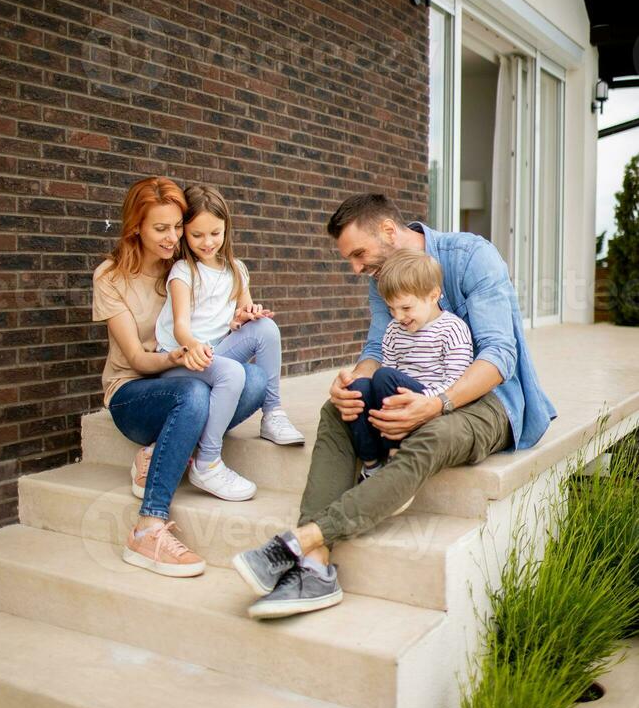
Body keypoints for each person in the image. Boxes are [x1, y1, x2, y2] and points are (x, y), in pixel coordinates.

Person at [233, 193, 556, 619]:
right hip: (417, 389)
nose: (356, 268)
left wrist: (436, 404)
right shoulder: (382, 278)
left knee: (436, 431)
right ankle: (314, 568)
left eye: (359, 254)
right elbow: (376, 351)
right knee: (338, 410)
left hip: (488, 398)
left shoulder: (472, 256)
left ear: (388, 230)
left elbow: (499, 356)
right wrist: (353, 383)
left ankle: (302, 539)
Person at [92, 176, 268, 578]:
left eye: (177, 227)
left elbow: (214, 339)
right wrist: (176, 355)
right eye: (160, 229)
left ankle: (164, 450)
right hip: (133, 392)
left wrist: (239, 321)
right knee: (190, 392)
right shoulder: (111, 277)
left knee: (253, 380)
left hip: (190, 377)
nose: (173, 238)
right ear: (136, 226)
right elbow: (136, 358)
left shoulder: (188, 267)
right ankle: (147, 528)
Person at [152, 184, 304, 502]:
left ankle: (273, 413)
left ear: (226, 229)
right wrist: (192, 346)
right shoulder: (183, 271)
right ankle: (207, 462)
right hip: (180, 357)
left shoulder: (236, 270)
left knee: (266, 328)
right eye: (197, 235)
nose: (207, 243)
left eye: (215, 233)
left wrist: (245, 317)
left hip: (214, 351)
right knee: (233, 374)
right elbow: (180, 326)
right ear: (186, 235)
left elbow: (241, 313)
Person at [349, 248, 473, 485]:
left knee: (384, 376)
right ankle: (372, 465)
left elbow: (456, 380)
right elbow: (389, 368)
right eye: (391, 309)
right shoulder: (395, 331)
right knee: (359, 388)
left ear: (433, 295)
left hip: (428, 403)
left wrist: (423, 400)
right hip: (396, 403)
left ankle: (396, 459)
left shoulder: (452, 329)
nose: (398, 317)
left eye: (406, 308)